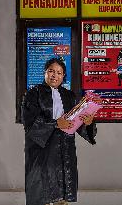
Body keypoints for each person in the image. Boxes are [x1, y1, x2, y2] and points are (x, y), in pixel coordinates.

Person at [21, 58, 97, 205]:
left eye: (59, 73)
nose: (54, 75)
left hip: (65, 149)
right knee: (40, 192)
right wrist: (56, 123)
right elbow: (30, 123)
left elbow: (77, 124)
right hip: (42, 151)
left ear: (63, 77)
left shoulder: (69, 96)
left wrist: (87, 123)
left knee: (62, 194)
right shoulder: (33, 94)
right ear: (45, 73)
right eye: (51, 71)